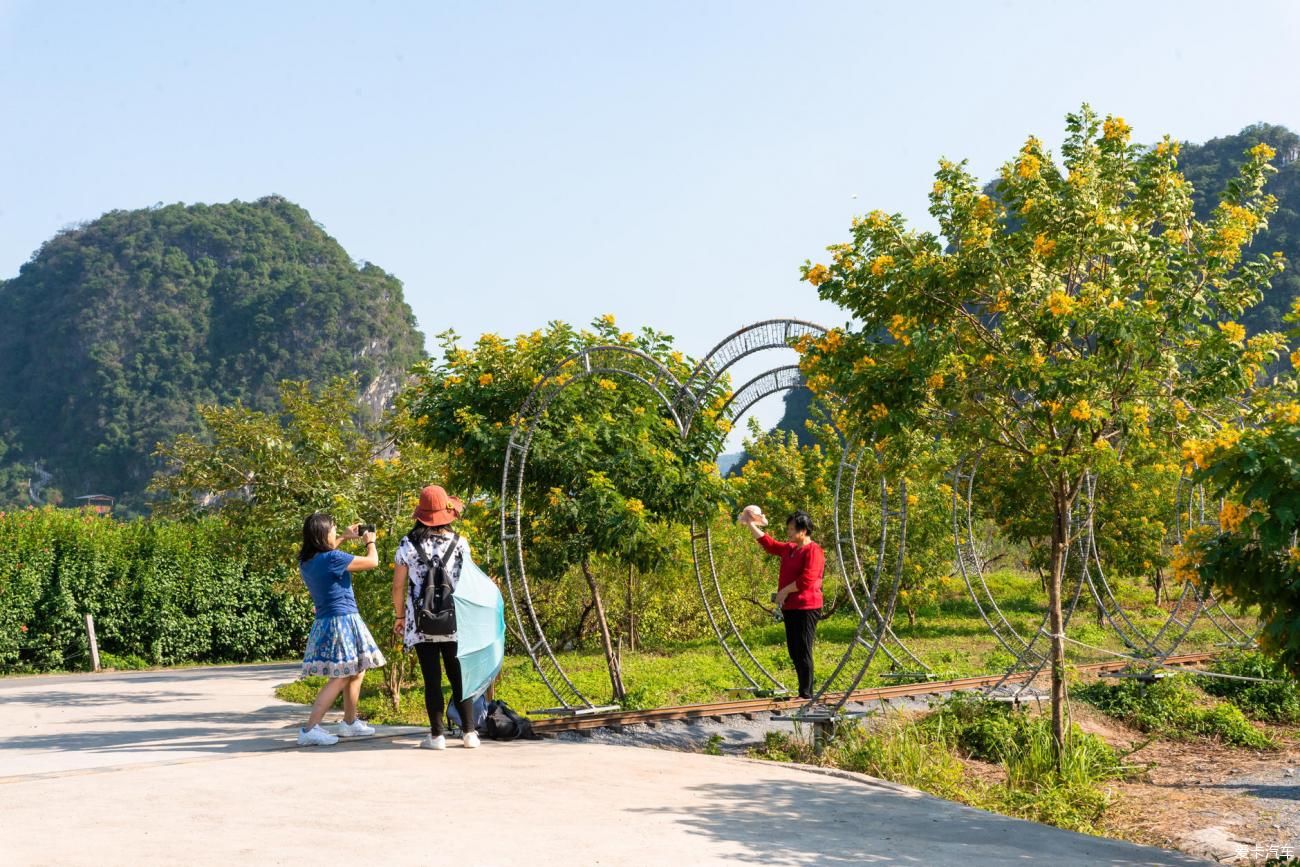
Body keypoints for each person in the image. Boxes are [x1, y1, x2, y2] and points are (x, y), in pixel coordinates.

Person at [392, 485, 480, 750]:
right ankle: (469, 733)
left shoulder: (407, 544)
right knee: (459, 677)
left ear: (420, 514)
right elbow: (470, 581)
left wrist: (399, 616)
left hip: (421, 623)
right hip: (455, 620)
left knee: (432, 679)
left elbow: (398, 586)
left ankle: (437, 736)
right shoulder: (460, 543)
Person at [296, 512, 386, 746]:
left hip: (329, 620)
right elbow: (372, 562)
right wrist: (370, 542)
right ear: (323, 534)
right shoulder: (333, 559)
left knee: (357, 670)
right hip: (343, 620)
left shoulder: (307, 561)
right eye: (334, 529)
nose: (336, 532)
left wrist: (345, 537)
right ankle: (310, 728)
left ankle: (349, 722)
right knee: (343, 674)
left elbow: (327, 555)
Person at [739, 506, 825, 699]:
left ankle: (806, 694)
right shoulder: (790, 549)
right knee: (794, 650)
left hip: (807, 607)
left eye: (792, 529)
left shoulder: (814, 551)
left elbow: (807, 580)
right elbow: (769, 544)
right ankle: (803, 691)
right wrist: (751, 524)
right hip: (791, 607)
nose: (788, 532)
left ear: (803, 531)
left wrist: (784, 591)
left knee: (803, 649)